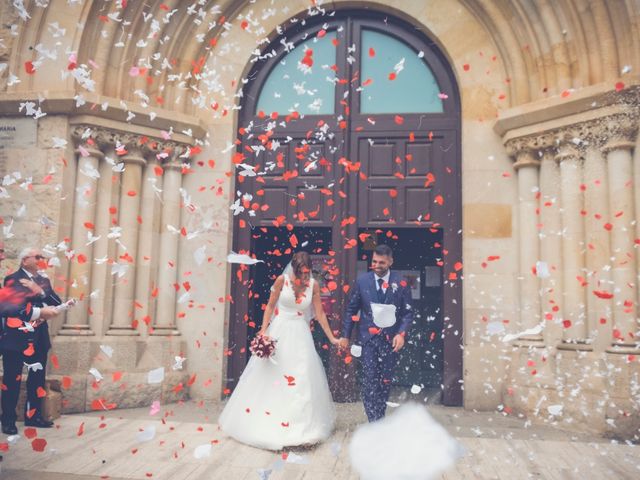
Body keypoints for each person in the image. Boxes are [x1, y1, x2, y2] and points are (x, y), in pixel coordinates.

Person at [219, 251, 339, 450]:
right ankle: (271, 422)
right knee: (274, 375)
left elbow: (320, 314)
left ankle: (303, 430)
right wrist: (264, 331)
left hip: (300, 335)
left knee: (301, 377)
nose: (303, 277)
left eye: (307, 273)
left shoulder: (314, 286)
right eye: (300, 273)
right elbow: (269, 306)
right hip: (280, 332)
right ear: (293, 269)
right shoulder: (281, 281)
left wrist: (332, 338)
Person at [338, 244, 413, 422]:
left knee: (385, 381)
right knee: (370, 380)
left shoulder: (400, 282)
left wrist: (401, 333)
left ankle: (380, 416)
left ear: (390, 262)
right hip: (367, 340)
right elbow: (351, 310)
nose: (377, 265)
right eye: (374, 261)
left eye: (381, 262)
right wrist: (346, 336)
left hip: (390, 341)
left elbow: (408, 312)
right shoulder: (362, 281)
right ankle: (374, 421)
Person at [1, 246, 61, 434]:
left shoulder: (43, 280)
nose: (41, 259)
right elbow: (15, 305)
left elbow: (56, 303)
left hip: (38, 337)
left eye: (42, 256)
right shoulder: (12, 279)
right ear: (25, 260)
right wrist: (37, 301)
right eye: (37, 256)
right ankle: (8, 420)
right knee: (12, 379)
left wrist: (40, 292)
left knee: (37, 379)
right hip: (16, 337)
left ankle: (33, 416)